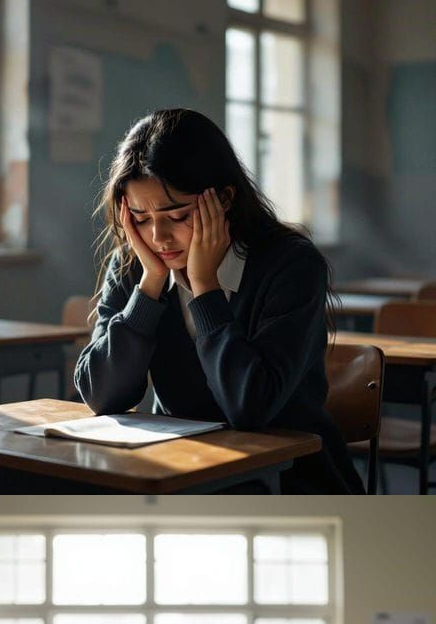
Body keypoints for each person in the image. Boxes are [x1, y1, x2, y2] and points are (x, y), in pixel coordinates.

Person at [75, 107, 363, 494]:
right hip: (183, 468)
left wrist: (205, 287)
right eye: (141, 218)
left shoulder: (291, 266)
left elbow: (250, 407)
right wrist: (150, 286)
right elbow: (101, 394)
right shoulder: (136, 265)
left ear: (224, 199)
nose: (158, 237)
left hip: (287, 478)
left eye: (177, 215)